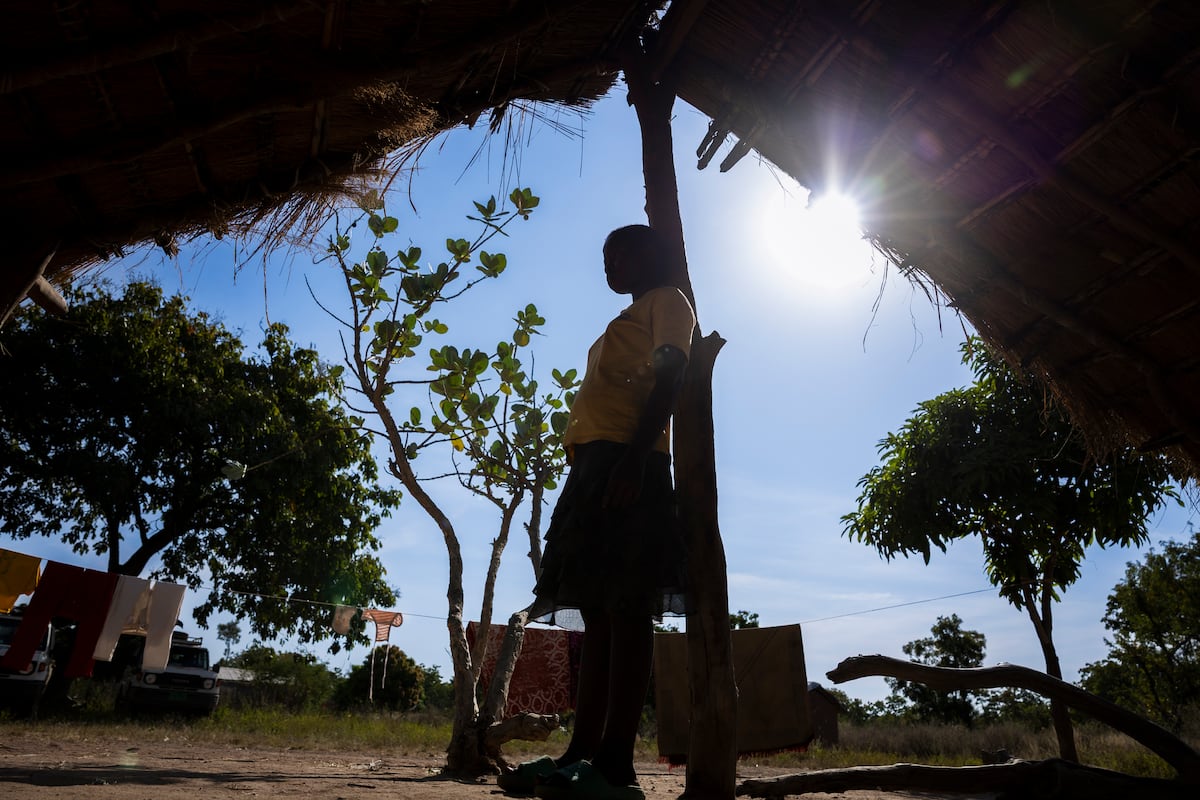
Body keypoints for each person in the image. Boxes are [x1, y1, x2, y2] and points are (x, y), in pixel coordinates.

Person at [498, 224, 695, 800]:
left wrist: (634, 461)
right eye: (604, 255)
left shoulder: (669, 303)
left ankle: (616, 768)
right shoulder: (625, 319)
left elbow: (671, 378)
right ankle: (580, 754)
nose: (608, 264)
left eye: (620, 253)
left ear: (651, 256)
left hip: (629, 462)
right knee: (599, 617)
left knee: (628, 612)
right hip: (594, 468)